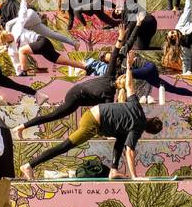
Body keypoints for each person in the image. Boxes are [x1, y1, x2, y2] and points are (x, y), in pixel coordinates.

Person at [21, 50, 163, 180]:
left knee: (121, 137)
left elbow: (130, 86)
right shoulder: (137, 128)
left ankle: (113, 170)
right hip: (92, 122)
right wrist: (134, 176)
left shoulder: (136, 106)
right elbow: (130, 152)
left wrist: (129, 65)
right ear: (148, 131)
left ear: (149, 118)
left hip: (95, 115)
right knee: (66, 145)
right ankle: (29, 165)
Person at [19, 23, 133, 133]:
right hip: (76, 97)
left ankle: (23, 126)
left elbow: (114, 55)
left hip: (75, 92)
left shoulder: (109, 76)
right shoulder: (109, 95)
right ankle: (23, 126)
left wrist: (121, 39)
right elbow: (108, 116)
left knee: (52, 115)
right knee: (53, 116)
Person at [0, 0, 78, 75]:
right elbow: (15, 59)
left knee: (19, 26)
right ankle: (74, 43)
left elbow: (12, 21)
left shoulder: (13, 27)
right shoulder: (9, 24)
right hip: (33, 23)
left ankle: (38, 15)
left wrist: (23, 0)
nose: (8, 33)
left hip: (30, 16)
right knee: (51, 34)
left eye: (7, 34)